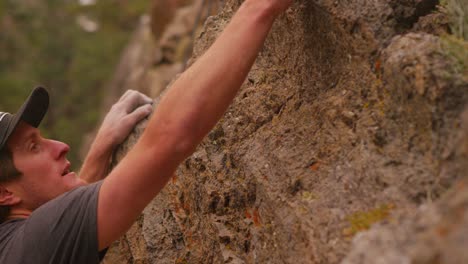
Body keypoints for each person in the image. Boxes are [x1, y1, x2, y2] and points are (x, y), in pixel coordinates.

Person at [0, 0, 293, 263]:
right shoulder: (32, 246)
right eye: (34, 147)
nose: (61, 146)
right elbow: (169, 140)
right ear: (4, 193)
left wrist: (100, 151)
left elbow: (70, 222)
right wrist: (257, 9)